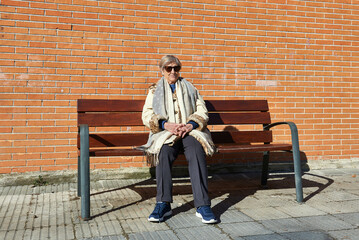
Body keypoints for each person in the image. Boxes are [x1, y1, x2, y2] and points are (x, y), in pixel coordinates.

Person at [139, 55, 217, 224]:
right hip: (166, 133)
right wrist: (166, 125)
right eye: (169, 68)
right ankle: (163, 203)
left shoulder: (190, 87)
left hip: (189, 132)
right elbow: (147, 114)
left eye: (176, 68)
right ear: (162, 70)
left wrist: (190, 125)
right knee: (163, 152)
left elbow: (202, 110)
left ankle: (203, 205)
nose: (173, 71)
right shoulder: (154, 90)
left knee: (196, 151)